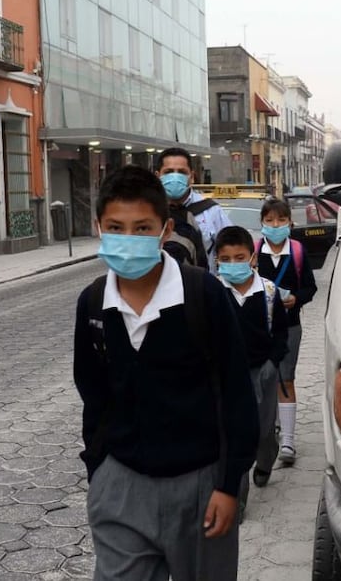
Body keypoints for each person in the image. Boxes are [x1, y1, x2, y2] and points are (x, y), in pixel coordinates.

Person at [74, 165, 259, 581]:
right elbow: (93, 392)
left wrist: (229, 484)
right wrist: (98, 471)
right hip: (121, 487)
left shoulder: (204, 295)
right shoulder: (92, 303)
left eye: (142, 228)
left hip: (201, 488)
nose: (128, 238)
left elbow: (237, 394)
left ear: (165, 230)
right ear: (99, 228)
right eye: (116, 227)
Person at [214, 225, 289, 522]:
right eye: (225, 259)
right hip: (228, 376)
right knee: (235, 435)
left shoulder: (268, 292)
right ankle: (238, 498)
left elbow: (280, 334)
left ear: (253, 258)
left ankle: (266, 459)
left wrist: (273, 363)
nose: (233, 264)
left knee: (263, 431)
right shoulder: (213, 292)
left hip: (263, 372)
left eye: (239, 258)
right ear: (217, 260)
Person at [254, 197, 317, 467]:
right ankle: (271, 429)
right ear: (262, 223)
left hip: (290, 326)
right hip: (259, 329)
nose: (275, 225)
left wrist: (296, 299)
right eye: (269, 220)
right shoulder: (255, 252)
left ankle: (288, 441)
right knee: (265, 380)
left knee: (285, 379)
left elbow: (310, 287)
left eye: (280, 220)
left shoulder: (298, 252)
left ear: (290, 222)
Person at [157, 147, 233, 272]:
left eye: (182, 172)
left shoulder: (211, 211)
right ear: (158, 176)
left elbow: (232, 249)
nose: (175, 177)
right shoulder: (149, 210)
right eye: (168, 172)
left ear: (191, 176)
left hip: (202, 281)